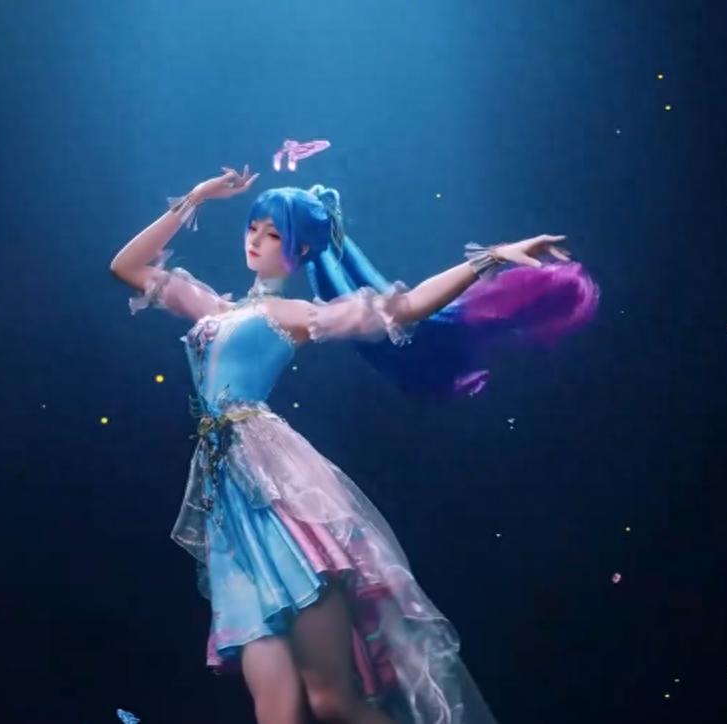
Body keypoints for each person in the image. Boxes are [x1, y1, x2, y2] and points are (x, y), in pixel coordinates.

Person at [110, 165, 598, 724]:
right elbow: (126, 266)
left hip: (276, 486)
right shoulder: (211, 308)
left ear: (300, 252)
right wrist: (196, 197)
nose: (256, 240)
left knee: (332, 702)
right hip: (229, 507)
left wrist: (490, 258)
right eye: (254, 227)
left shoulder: (294, 315)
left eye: (274, 234)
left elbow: (405, 308)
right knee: (276, 709)